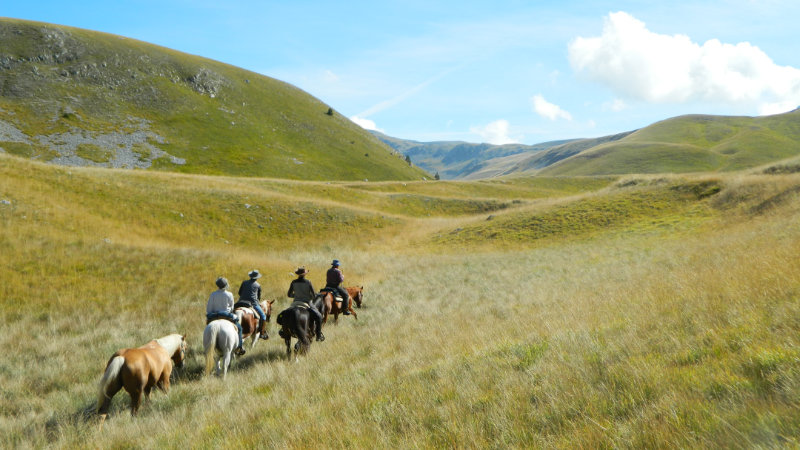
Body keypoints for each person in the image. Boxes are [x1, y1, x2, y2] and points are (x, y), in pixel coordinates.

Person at [206, 277, 246, 356]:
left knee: (207, 328)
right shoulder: (229, 294)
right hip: (226, 315)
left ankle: (207, 345)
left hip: (214, 315)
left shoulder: (213, 294)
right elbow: (231, 307)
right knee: (240, 328)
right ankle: (239, 347)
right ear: (226, 285)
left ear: (218, 285)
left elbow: (209, 308)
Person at [287, 266, 324, 341]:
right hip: (307, 303)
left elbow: (289, 295)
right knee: (319, 316)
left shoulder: (293, 282)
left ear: (298, 274)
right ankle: (318, 335)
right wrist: (307, 296)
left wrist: (296, 295)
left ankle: (283, 330)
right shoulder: (308, 282)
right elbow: (313, 296)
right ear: (305, 274)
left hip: (295, 303)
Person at [236, 269, 268, 340]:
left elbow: (239, 293)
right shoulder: (258, 285)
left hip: (240, 302)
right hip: (252, 303)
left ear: (250, 276)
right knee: (263, 316)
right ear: (257, 277)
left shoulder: (244, 282)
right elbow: (259, 297)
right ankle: (262, 333)